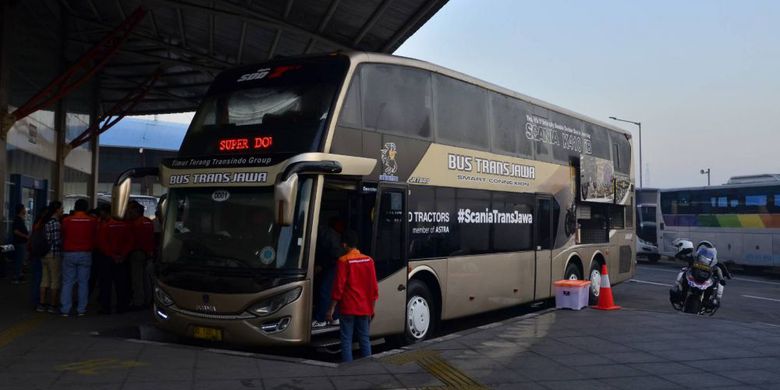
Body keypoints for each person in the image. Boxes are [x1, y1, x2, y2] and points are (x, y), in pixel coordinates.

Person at [326, 230, 379, 362]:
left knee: (346, 339)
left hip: (348, 308)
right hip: (365, 308)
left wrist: (331, 308)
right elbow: (374, 288)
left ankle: (348, 369)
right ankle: (368, 364)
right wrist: (372, 309)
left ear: (344, 245)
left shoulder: (343, 261)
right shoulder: (369, 260)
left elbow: (339, 287)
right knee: (364, 338)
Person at [60, 199, 98, 317]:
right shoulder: (92, 221)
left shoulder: (66, 220)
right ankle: (81, 309)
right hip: (85, 253)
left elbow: (63, 234)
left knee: (67, 282)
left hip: (69, 253)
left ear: (75, 207)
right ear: (86, 208)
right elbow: (95, 236)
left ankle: (65, 309)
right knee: (83, 282)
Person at [96, 205, 133, 314]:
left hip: (108, 259)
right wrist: (122, 255)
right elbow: (130, 242)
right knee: (121, 284)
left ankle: (106, 307)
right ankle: (122, 306)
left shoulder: (106, 226)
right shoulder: (124, 226)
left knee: (106, 284)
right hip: (121, 259)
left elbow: (102, 244)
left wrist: (112, 255)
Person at [312, 217, 346, 328]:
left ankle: (321, 318)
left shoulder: (325, 234)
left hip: (333, 264)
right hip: (335, 263)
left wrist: (321, 265)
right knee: (332, 290)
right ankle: (335, 317)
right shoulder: (331, 234)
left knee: (325, 290)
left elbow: (329, 253)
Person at [127, 201, 154, 309]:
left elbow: (134, 241)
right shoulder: (148, 221)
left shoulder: (135, 224)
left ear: (136, 211)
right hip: (148, 253)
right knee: (147, 279)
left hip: (137, 253)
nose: (130, 214)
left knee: (137, 279)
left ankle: (138, 302)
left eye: (131, 211)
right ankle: (148, 300)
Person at [40, 201, 64, 313]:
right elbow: (57, 241)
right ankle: (52, 305)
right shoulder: (56, 223)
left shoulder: (45, 221)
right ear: (57, 210)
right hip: (53, 254)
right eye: (61, 209)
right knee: (55, 280)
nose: (62, 211)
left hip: (43, 254)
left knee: (44, 279)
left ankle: (42, 304)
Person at [11, 204, 29, 284]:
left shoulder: (21, 219)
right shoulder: (17, 219)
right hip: (19, 243)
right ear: (21, 210)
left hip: (21, 242)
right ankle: (16, 277)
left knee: (20, 260)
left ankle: (19, 275)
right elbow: (16, 231)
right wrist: (25, 236)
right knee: (19, 260)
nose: (25, 210)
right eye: (24, 208)